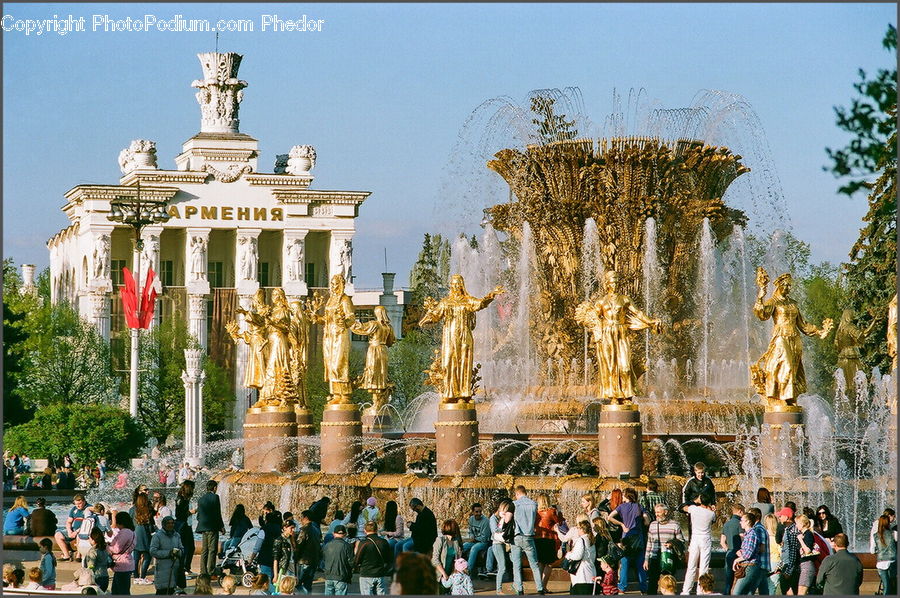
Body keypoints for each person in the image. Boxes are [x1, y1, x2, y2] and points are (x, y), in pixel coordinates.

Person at [608, 487, 650, 593]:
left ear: (626, 496)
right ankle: (643, 588)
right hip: (638, 539)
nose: (622, 496)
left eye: (623, 495)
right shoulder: (639, 506)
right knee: (640, 565)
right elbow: (646, 521)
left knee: (625, 563)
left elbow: (610, 517)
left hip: (626, 537)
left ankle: (622, 588)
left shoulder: (621, 507)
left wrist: (622, 524)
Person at [643, 503, 684, 595]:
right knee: (652, 582)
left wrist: (671, 544)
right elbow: (649, 543)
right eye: (655, 512)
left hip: (668, 557)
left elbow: (681, 540)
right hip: (654, 557)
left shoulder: (675, 525)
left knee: (668, 582)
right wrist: (646, 559)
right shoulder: (652, 525)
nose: (656, 514)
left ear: (665, 512)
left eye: (659, 512)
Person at [681, 493, 716, 595]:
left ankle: (686, 591)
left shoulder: (693, 509)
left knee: (691, 566)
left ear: (700, 500)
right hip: (706, 539)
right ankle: (701, 591)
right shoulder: (711, 513)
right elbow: (713, 520)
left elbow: (682, 507)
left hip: (695, 539)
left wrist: (695, 502)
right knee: (704, 567)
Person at [731, 511, 766, 594]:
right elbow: (750, 550)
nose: (740, 522)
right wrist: (741, 551)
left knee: (736, 593)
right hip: (751, 566)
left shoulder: (751, 535)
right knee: (748, 593)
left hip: (750, 566)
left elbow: (748, 554)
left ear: (748, 522)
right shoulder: (749, 534)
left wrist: (736, 560)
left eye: (742, 520)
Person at [196, 480, 226, 578]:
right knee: (212, 549)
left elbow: (198, 515)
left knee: (204, 549)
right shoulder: (215, 497)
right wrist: (221, 526)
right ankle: (211, 570)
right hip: (212, 527)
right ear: (214, 488)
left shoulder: (201, 499)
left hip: (203, 527)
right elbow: (218, 513)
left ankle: (203, 571)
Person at [356, 520, 393, 595]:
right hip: (380, 574)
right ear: (376, 530)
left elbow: (357, 559)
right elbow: (389, 559)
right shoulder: (384, 542)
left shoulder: (364, 543)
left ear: (365, 530)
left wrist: (356, 567)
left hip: (366, 574)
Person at [151, 516, 185, 595]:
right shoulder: (157, 536)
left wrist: (178, 552)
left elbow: (182, 549)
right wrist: (168, 553)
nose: (171, 525)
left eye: (172, 523)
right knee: (162, 591)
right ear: (164, 524)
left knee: (172, 591)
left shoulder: (177, 535)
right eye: (168, 523)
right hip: (163, 569)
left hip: (175, 568)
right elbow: (153, 551)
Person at [562, 519, 596, 594]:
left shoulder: (581, 540)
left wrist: (569, 555)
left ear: (582, 529)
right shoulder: (591, 540)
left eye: (578, 528)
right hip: (591, 573)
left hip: (581, 575)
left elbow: (578, 556)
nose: (577, 529)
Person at [108, 510, 136, 595]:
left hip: (122, 564)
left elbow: (117, 549)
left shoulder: (125, 532)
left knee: (120, 591)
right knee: (120, 590)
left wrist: (107, 546)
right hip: (127, 562)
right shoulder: (132, 532)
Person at [491, 499, 516, 594]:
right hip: (497, 544)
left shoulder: (503, 518)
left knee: (515, 563)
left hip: (505, 544)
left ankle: (515, 584)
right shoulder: (493, 518)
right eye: (505, 511)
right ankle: (498, 590)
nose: (506, 513)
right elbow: (495, 532)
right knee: (502, 567)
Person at [54, 493, 88, 561]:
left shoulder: (88, 509)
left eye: (80, 503)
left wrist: (76, 532)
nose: (78, 506)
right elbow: (69, 522)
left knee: (79, 535)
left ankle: (79, 555)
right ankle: (66, 555)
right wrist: (69, 531)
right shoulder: (74, 509)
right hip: (73, 530)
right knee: (58, 535)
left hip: (84, 530)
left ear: (84, 501)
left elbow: (87, 523)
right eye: (76, 504)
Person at [131, 490, 155, 584]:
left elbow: (130, 522)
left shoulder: (133, 510)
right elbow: (151, 526)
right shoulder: (147, 510)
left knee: (136, 558)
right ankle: (143, 577)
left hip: (136, 534)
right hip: (145, 535)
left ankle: (136, 577)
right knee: (147, 557)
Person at [295, 510, 322, 593]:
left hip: (304, 561)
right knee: (308, 584)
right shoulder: (316, 530)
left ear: (306, 518)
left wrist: (295, 557)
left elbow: (299, 545)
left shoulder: (304, 530)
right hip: (314, 561)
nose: (301, 520)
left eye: (301, 518)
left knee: (298, 584)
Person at [720, 503, 744, 594]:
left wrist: (728, 549)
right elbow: (742, 537)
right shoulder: (740, 523)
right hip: (739, 554)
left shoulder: (727, 524)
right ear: (740, 511)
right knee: (739, 579)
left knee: (728, 581)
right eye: (743, 512)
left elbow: (722, 542)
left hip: (729, 553)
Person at [464, 502, 493, 579]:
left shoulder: (486, 521)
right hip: (475, 541)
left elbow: (485, 538)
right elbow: (470, 531)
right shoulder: (471, 519)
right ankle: (457, 568)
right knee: (463, 546)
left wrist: (475, 539)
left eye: (480, 511)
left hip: (484, 543)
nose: (479, 513)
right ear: (473, 512)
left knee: (474, 548)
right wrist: (472, 537)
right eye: (476, 511)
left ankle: (468, 571)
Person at [432, 519, 464, 587]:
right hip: (438, 575)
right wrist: (444, 574)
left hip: (450, 574)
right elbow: (435, 559)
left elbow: (458, 559)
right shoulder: (440, 540)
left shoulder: (456, 541)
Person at [323, 524, 354, 595]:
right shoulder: (347, 546)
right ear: (345, 534)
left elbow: (324, 558)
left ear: (333, 534)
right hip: (341, 576)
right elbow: (351, 562)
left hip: (328, 575)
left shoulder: (327, 545)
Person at [175, 480, 197, 579]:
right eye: (192, 488)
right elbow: (178, 514)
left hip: (187, 525)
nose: (193, 490)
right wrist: (191, 512)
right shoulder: (181, 499)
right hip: (183, 526)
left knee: (190, 547)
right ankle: (183, 569)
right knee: (187, 548)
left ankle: (186, 568)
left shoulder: (184, 498)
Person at [777, 506, 801, 594]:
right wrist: (780, 566)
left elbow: (793, 552)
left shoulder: (792, 531)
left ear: (787, 518)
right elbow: (785, 550)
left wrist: (788, 571)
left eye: (781, 515)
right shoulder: (788, 529)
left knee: (786, 590)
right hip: (787, 565)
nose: (779, 517)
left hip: (791, 567)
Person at [793, 514, 818, 595]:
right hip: (804, 566)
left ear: (802, 524)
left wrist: (800, 540)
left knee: (801, 593)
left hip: (807, 566)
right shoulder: (805, 534)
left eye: (797, 523)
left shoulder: (808, 534)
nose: (796, 526)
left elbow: (807, 551)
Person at [872, 513, 897, 595]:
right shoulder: (893, 534)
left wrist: (879, 551)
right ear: (888, 523)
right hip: (892, 561)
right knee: (891, 583)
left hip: (881, 562)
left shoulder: (875, 535)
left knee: (886, 585)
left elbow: (872, 550)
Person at [83, 528, 112, 592]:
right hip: (105, 576)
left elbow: (91, 566)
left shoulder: (93, 551)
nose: (89, 540)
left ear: (93, 540)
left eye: (89, 538)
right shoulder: (104, 550)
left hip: (96, 577)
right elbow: (109, 562)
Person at [763, 513, 782, 594]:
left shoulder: (763, 536)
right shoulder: (776, 538)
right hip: (775, 562)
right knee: (772, 586)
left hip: (764, 562)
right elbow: (781, 552)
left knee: (765, 586)